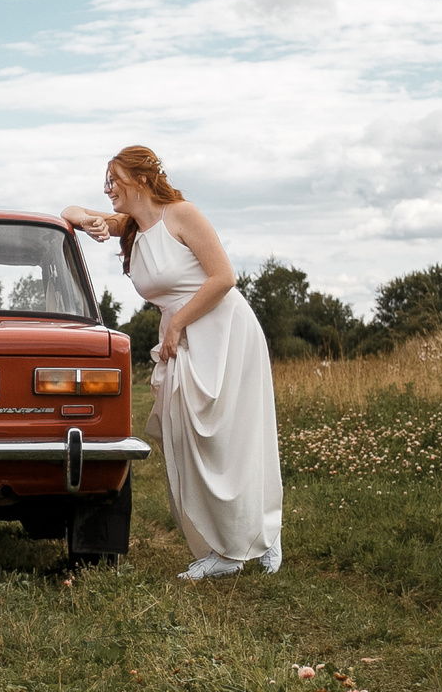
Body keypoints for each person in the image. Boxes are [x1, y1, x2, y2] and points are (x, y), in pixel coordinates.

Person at [62, 147, 283, 579]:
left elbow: (224, 277)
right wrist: (89, 222)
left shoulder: (181, 214)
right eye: (105, 182)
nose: (108, 190)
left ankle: (264, 536)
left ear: (141, 180)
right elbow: (67, 212)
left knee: (230, 437)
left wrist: (179, 323)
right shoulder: (129, 225)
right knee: (187, 438)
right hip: (181, 336)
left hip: (222, 328)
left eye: (115, 180)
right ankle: (221, 547)